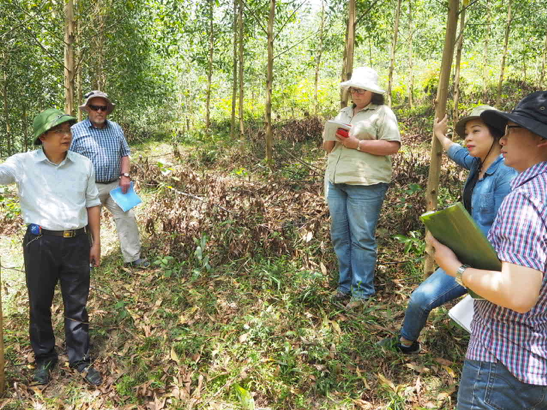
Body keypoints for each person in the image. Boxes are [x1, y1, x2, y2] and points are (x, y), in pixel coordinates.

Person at [427, 91, 547, 409]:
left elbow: (518, 295)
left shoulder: (525, 198)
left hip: (505, 361)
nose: (503, 138)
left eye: (512, 129)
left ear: (541, 140)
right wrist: (440, 136)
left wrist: (455, 267)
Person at [383, 106, 517, 354]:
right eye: (466, 133)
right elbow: (457, 153)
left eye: (476, 131)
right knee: (420, 299)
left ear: (498, 136)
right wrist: (440, 135)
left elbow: (506, 230)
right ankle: (407, 344)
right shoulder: (478, 164)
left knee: (427, 300)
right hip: (466, 252)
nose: (467, 138)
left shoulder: (506, 174)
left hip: (487, 262)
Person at [0, 109, 103, 385]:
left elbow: (92, 202)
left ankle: (79, 357)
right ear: (43, 136)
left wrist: (96, 242)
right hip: (39, 241)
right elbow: (2, 174)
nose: (66, 135)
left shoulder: (83, 164)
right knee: (39, 302)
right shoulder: (22, 163)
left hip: (76, 241)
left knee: (77, 303)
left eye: (68, 129)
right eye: (59, 131)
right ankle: (44, 357)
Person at [323, 67, 401, 309]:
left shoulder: (382, 113)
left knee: (362, 238)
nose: (356, 93)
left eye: (361, 90)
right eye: (353, 89)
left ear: (372, 92)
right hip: (337, 181)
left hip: (365, 183)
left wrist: (356, 143)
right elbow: (328, 148)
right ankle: (344, 286)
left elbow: (392, 146)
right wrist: (331, 135)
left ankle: (362, 292)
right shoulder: (344, 112)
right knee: (340, 236)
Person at [71, 90, 149, 268]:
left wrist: (125, 176)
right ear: (87, 110)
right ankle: (89, 260)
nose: (99, 111)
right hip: (89, 187)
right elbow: (68, 159)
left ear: (107, 110)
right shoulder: (76, 131)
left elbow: (125, 154)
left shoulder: (116, 128)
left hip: (116, 184)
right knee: (86, 224)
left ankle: (133, 258)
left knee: (128, 216)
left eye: (103, 108)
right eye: (95, 107)